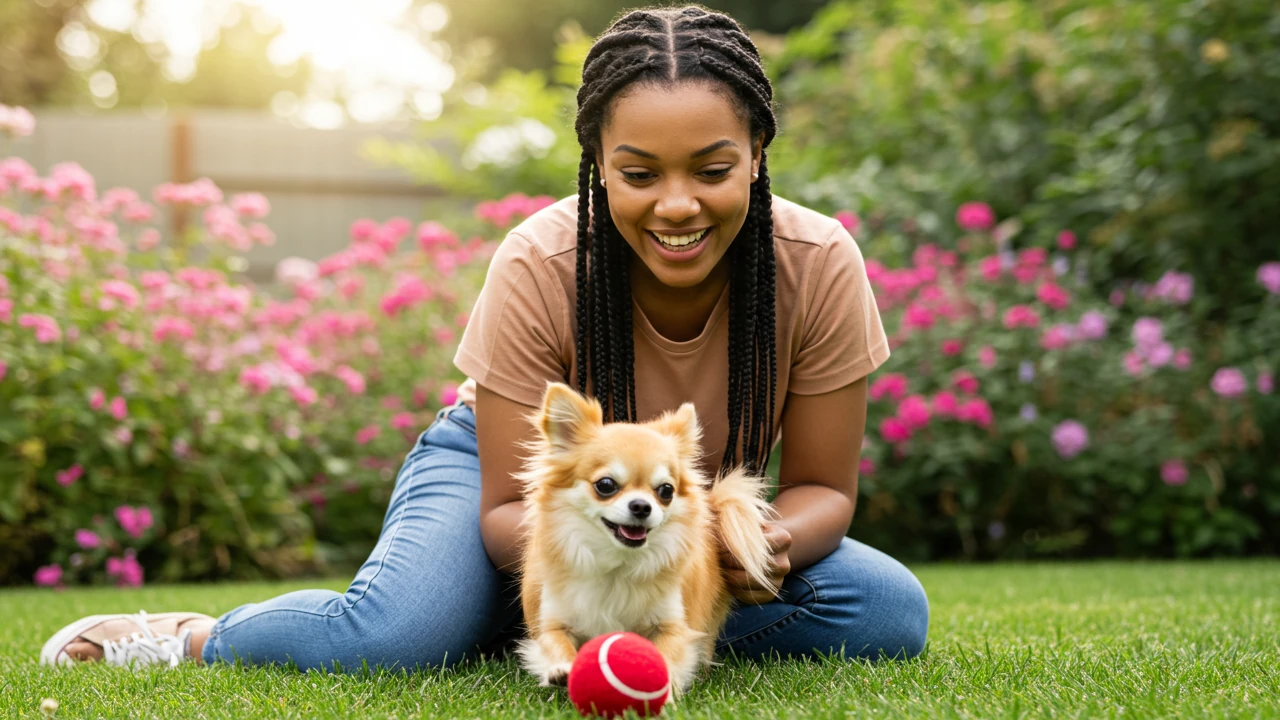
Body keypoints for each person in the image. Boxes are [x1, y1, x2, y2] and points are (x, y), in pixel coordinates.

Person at [40, 4, 928, 672]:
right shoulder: (542, 261)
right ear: (597, 166)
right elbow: (510, 511)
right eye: (638, 173)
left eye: (713, 169)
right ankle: (191, 638)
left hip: (677, 522)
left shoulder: (816, 262)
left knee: (887, 611)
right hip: (507, 491)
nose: (677, 205)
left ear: (759, 152)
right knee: (393, 636)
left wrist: (724, 548)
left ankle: (575, 629)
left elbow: (820, 492)